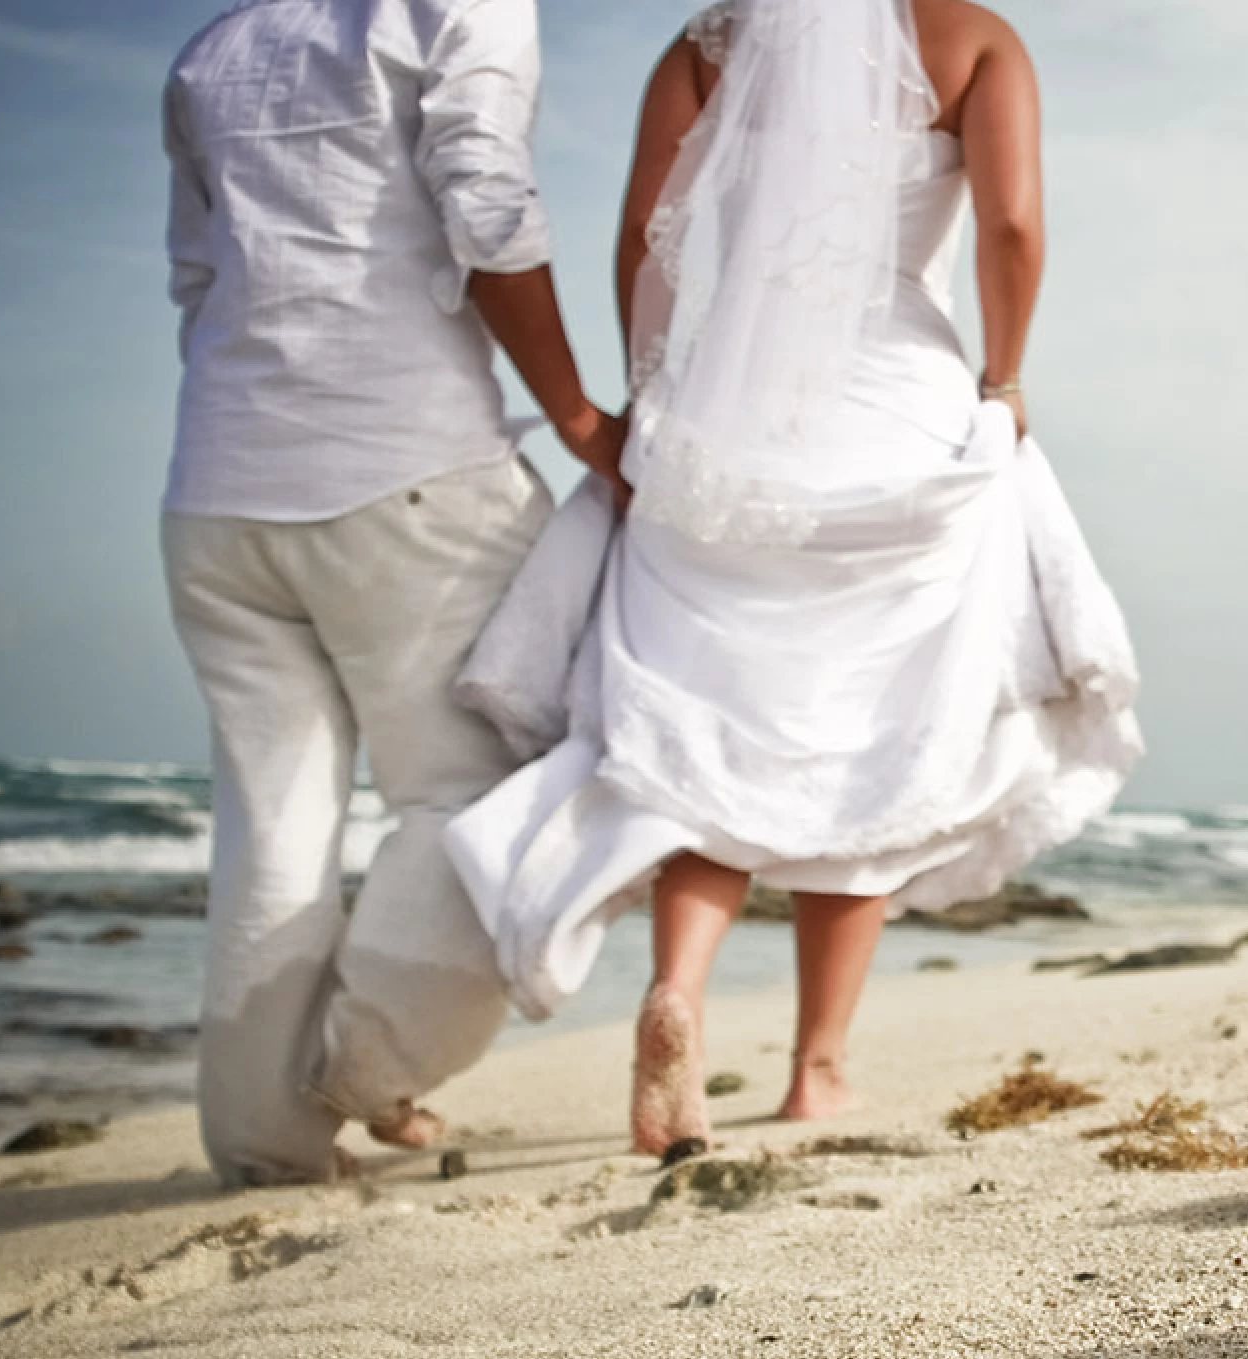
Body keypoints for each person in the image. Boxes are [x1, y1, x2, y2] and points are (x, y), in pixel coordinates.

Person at [447, 0, 1142, 1161]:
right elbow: (1012, 226)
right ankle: (816, 1072)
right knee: (872, 737)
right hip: (895, 415)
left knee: (715, 732)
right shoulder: (975, 39)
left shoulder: (705, 46)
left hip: (726, 418)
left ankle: (677, 988)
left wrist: (654, 398)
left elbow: (646, 235)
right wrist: (1005, 377)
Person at [159, 0, 626, 1186]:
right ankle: (363, 1072)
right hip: (404, 470)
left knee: (272, 831)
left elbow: (199, 279)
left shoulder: (211, 50)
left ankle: (265, 1145)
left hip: (216, 489)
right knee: (495, 787)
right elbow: (488, 200)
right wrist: (578, 416)